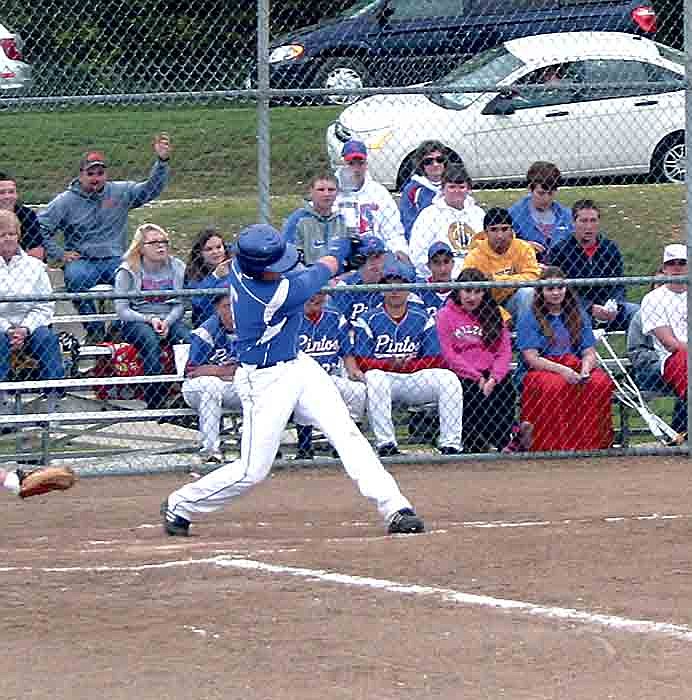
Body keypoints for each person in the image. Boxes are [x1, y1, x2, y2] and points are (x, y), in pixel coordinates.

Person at [162, 224, 424, 537]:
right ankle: (181, 504)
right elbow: (319, 272)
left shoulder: (238, 267)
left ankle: (394, 506)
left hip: (299, 366)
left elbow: (296, 264)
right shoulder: (270, 295)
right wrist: (342, 248)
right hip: (265, 380)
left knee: (346, 433)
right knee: (252, 471)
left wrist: (342, 255)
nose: (279, 269)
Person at [39, 134, 171, 343]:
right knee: (75, 278)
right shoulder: (65, 201)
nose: (96, 178)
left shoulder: (120, 191)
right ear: (80, 174)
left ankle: (123, 327)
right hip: (83, 262)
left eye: (100, 173)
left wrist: (162, 162)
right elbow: (39, 228)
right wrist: (59, 254)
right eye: (90, 173)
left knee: (136, 278)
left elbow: (150, 190)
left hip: (116, 258)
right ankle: (96, 330)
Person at [351, 260, 463, 457]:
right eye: (389, 283)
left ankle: (450, 445)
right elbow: (362, 360)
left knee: (448, 379)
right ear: (381, 288)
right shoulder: (367, 318)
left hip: (414, 377)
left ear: (410, 287)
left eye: (400, 283)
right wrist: (389, 364)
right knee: (375, 378)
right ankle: (386, 444)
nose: (395, 289)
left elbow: (436, 359)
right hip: (385, 379)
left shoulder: (422, 317)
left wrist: (409, 365)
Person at [516, 266, 614, 452]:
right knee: (555, 386)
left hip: (573, 365)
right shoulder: (530, 316)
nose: (555, 292)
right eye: (550, 288)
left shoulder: (577, 314)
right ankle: (555, 445)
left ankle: (592, 444)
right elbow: (531, 358)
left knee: (599, 382)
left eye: (560, 287)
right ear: (541, 291)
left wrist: (585, 369)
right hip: (542, 369)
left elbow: (589, 351)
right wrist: (563, 371)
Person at [436, 268, 530, 453]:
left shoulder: (493, 313)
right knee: (470, 392)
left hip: (490, 373)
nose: (472, 297)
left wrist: (494, 377)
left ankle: (505, 441)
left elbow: (504, 351)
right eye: (467, 290)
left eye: (478, 291)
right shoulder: (445, 314)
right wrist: (477, 377)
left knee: (504, 389)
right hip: (462, 374)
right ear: (458, 291)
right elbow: (449, 354)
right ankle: (480, 440)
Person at [114, 223, 191, 409]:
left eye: (164, 241)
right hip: (137, 320)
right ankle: (155, 400)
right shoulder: (128, 270)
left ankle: (188, 393)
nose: (161, 246)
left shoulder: (177, 266)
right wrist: (150, 319)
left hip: (169, 318)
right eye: (154, 242)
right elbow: (122, 310)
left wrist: (167, 321)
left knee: (186, 340)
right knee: (149, 340)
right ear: (141, 247)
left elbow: (180, 303)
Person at [0, 210, 64, 409]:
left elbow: (44, 305)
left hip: (31, 326)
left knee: (47, 339)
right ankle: (2, 399)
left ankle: (52, 397)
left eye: (12, 233)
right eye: (2, 234)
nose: (8, 238)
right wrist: (8, 329)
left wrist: (25, 328)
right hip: (1, 327)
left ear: (18, 235)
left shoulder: (35, 266)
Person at [293, 288, 367, 460]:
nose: (315, 300)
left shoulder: (334, 316)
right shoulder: (291, 319)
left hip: (329, 377)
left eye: (319, 295)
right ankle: (304, 447)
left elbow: (346, 352)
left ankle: (348, 444)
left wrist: (353, 371)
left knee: (357, 391)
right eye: (310, 295)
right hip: (299, 379)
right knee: (303, 395)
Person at [548, 199, 638, 332]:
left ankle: (638, 351)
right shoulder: (560, 250)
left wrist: (615, 306)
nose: (589, 226)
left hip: (609, 308)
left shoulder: (610, 248)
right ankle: (586, 352)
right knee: (578, 315)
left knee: (638, 312)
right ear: (573, 222)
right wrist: (589, 307)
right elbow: (560, 291)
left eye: (593, 220)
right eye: (583, 221)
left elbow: (619, 284)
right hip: (577, 308)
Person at [182, 291, 242, 465]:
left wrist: (218, 370)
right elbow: (193, 371)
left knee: (258, 385)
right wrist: (223, 371)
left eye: (235, 305)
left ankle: (256, 449)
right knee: (211, 386)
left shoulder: (250, 329)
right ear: (217, 308)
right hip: (196, 388)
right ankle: (210, 451)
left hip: (233, 385)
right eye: (226, 306)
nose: (232, 311)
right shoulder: (206, 331)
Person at [627, 265, 686, 435]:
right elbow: (636, 353)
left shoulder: (682, 307)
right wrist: (664, 360)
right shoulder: (642, 314)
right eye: (658, 285)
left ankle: (680, 432)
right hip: (652, 371)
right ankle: (682, 431)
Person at [334, 140, 409, 260]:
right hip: (342, 254)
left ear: (366, 164)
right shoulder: (331, 191)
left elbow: (393, 233)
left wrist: (400, 251)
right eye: (351, 163)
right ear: (343, 165)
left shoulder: (379, 192)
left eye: (360, 163)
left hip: (376, 254)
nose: (356, 169)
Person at [462, 207, 539, 323]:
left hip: (515, 301)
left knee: (527, 292)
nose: (500, 235)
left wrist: (497, 280)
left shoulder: (523, 248)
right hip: (486, 307)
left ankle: (524, 334)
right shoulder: (474, 257)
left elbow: (533, 277)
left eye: (504, 229)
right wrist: (503, 316)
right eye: (494, 230)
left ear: (511, 230)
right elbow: (471, 294)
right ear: (485, 232)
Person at [409, 163, 485, 279]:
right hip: (441, 279)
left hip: (474, 279)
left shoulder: (478, 214)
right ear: (442, 189)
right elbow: (417, 254)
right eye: (451, 187)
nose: (456, 191)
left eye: (461, 187)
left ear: (468, 189)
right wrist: (439, 276)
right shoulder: (429, 215)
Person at [640, 244, 689, 403]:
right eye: (671, 263)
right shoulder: (653, 299)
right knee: (684, 357)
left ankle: (681, 426)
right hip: (672, 358)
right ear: (664, 268)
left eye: (682, 263)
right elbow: (670, 344)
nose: (676, 267)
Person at [508, 161, 573, 260]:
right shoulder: (513, 215)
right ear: (530, 188)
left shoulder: (566, 216)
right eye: (541, 193)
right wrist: (523, 246)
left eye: (550, 193)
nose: (546, 199)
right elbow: (501, 246)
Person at [282, 172, 348, 265]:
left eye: (331, 190)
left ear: (338, 192)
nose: (326, 194)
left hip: (338, 276)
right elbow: (288, 257)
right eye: (321, 190)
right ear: (311, 191)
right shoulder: (298, 219)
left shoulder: (342, 220)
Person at [399, 140, 449, 242]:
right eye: (428, 161)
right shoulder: (412, 189)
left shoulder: (454, 185)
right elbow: (408, 225)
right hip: (424, 241)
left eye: (440, 159)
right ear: (421, 165)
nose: (435, 164)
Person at [184, 227, 232, 327]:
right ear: (200, 253)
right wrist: (215, 276)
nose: (215, 252)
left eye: (219, 247)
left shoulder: (235, 267)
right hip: (208, 325)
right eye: (209, 249)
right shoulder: (193, 273)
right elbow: (198, 301)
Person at [0, 171, 44, 259]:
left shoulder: (27, 214)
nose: (7, 196)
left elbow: (37, 252)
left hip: (22, 265)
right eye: (2, 192)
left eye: (11, 192)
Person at [417, 242, 455, 318]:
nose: (442, 268)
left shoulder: (461, 291)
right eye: (436, 262)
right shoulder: (420, 289)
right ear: (428, 266)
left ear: (453, 263)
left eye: (446, 261)